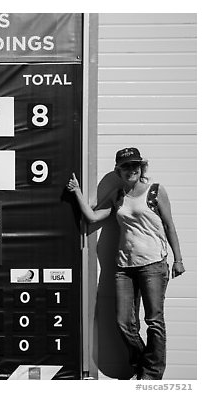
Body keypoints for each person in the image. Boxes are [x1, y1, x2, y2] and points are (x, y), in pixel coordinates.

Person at [67, 147, 185, 380]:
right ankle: (141, 363)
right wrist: (78, 193)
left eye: (135, 165)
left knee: (154, 321)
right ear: (118, 170)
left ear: (141, 168)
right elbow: (92, 218)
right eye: (126, 166)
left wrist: (178, 259)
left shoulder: (155, 191)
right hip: (124, 267)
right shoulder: (117, 195)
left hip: (153, 264)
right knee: (123, 322)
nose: (131, 169)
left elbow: (170, 225)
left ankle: (151, 375)